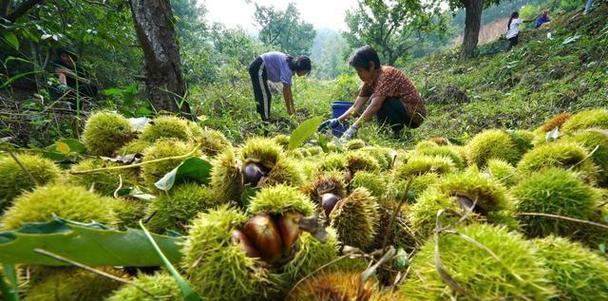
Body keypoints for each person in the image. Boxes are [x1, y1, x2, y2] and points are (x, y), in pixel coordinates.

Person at [319, 45, 426, 141]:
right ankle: (387, 135)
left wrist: (353, 128)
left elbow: (375, 106)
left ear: (371, 65)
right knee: (376, 100)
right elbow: (356, 107)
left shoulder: (386, 74)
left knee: (380, 102)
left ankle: (400, 134)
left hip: (413, 115)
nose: (358, 75)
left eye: (360, 71)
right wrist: (337, 121)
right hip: (400, 110)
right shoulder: (370, 81)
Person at [248, 52, 311, 121]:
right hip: (259, 66)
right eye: (305, 72)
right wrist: (289, 111)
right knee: (265, 95)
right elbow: (286, 92)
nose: (304, 74)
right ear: (301, 68)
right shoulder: (288, 69)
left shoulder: (290, 66)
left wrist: (293, 109)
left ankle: (262, 118)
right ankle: (265, 121)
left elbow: (289, 90)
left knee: (263, 95)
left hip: (261, 69)